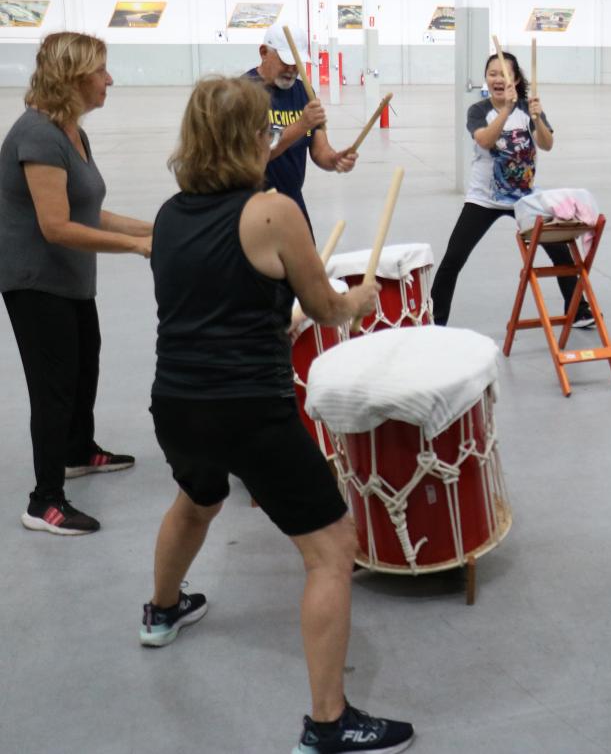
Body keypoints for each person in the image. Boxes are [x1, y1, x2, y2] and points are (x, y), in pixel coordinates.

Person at [143, 76, 414, 753]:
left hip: (176, 403)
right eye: (266, 129)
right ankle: (328, 724)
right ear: (248, 139)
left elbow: (215, 304)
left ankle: (162, 610)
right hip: (248, 410)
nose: (271, 137)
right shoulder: (272, 211)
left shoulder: (170, 215)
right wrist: (361, 299)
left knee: (196, 498)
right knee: (330, 553)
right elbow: (325, 308)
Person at [1, 32, 152, 535]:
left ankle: (77, 451)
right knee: (54, 388)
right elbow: (56, 226)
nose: (109, 79)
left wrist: (154, 228)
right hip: (34, 280)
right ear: (73, 76)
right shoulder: (39, 136)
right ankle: (44, 501)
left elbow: (88, 210)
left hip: (68, 277)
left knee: (85, 362)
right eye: (100, 70)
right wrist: (136, 247)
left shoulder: (71, 131)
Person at [429, 49, 592, 328]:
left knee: (560, 250)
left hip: (524, 198)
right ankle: (434, 320)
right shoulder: (479, 110)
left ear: (515, 79)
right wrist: (505, 110)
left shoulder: (528, 108)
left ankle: (578, 309)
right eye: (492, 73)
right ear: (486, 79)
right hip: (484, 200)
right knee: (454, 257)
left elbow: (546, 144)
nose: (498, 79)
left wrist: (538, 119)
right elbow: (484, 140)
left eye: (504, 74)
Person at [247, 23, 356, 231]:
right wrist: (301, 124)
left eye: (297, 63)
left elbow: (319, 150)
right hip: (253, 204)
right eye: (286, 61)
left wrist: (335, 159)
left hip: (293, 202)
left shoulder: (305, 91)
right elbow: (255, 154)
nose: (292, 69)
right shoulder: (243, 92)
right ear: (264, 52)